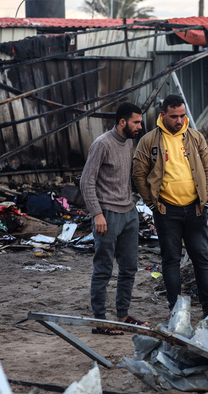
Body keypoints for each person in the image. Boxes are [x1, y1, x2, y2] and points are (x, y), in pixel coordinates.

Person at [132, 94, 208, 321]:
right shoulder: (149, 141)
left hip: (195, 209)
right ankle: (175, 309)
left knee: (201, 258)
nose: (179, 120)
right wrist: (153, 203)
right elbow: (138, 174)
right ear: (163, 115)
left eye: (182, 115)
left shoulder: (195, 138)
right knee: (171, 260)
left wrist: (204, 197)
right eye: (174, 116)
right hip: (167, 211)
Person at [80, 102, 148, 335]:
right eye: (136, 122)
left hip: (129, 213)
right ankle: (100, 320)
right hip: (107, 215)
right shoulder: (102, 144)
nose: (140, 126)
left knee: (129, 268)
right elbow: (86, 181)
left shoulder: (129, 141)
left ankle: (122, 315)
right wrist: (97, 213)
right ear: (122, 122)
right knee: (103, 269)